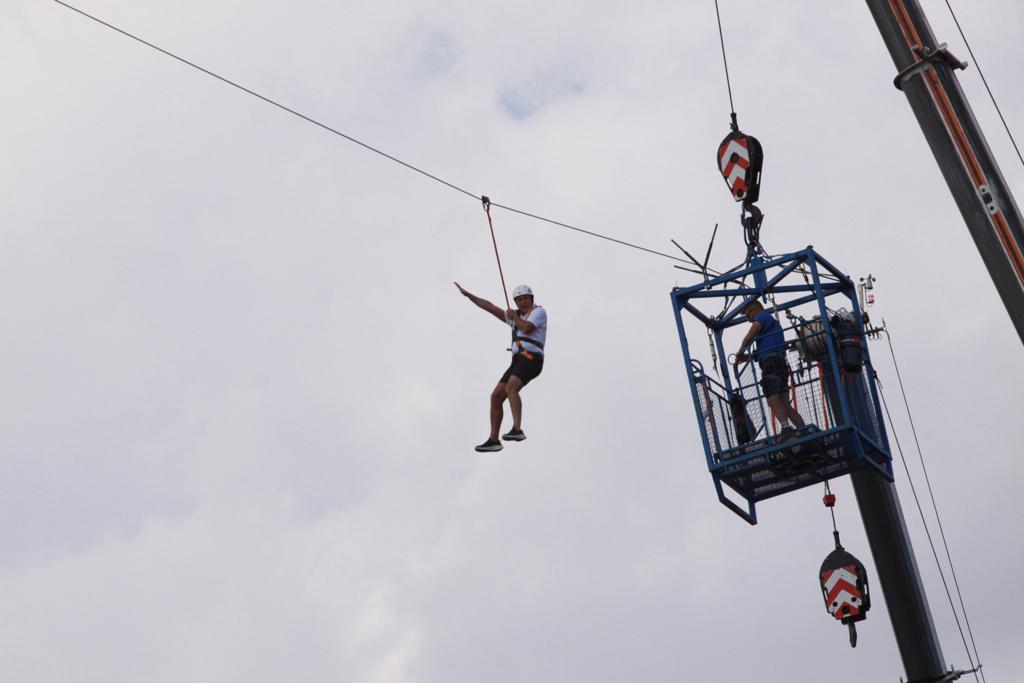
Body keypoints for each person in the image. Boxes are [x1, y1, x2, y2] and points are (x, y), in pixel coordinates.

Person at [454, 282, 547, 452]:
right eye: (519, 300)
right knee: (496, 396)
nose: (523, 302)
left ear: (531, 299)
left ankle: (517, 429)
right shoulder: (514, 317)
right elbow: (490, 307)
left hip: (532, 359)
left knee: (511, 387)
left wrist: (514, 318)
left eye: (526, 298)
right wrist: (469, 296)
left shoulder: (538, 312)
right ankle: (493, 439)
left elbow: (526, 328)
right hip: (518, 360)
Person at [735, 299, 805, 434]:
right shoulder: (769, 329)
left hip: (771, 363)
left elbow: (749, 336)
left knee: (772, 398)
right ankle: (803, 429)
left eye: (748, 316)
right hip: (779, 362)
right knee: (784, 403)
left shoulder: (762, 316)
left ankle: (786, 428)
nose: (749, 320)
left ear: (753, 310)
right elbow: (765, 349)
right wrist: (747, 357)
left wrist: (740, 351)